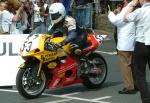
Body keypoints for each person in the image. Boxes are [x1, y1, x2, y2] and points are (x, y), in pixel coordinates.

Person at [108, 0, 137, 94]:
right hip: (132, 40)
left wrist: (110, 13)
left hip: (125, 41)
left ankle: (129, 86)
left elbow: (116, 21)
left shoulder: (127, 8)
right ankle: (135, 84)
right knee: (132, 65)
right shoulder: (134, 7)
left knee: (125, 65)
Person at [124, 0, 150, 102]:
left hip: (141, 44)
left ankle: (146, 100)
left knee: (140, 75)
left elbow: (125, 18)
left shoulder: (140, 11)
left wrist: (132, 4)